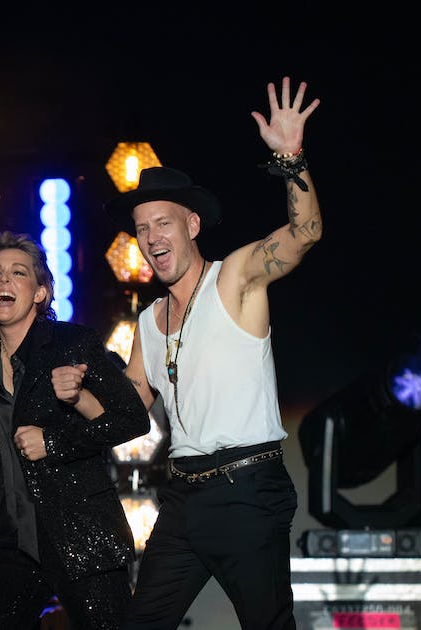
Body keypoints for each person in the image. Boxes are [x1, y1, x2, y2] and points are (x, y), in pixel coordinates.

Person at [67, 76, 322, 629]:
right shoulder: (148, 321)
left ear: (192, 225)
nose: (152, 238)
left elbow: (304, 233)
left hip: (247, 490)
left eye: (163, 223)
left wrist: (291, 158)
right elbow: (127, 413)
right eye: (142, 229)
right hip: (183, 499)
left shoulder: (234, 277)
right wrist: (75, 395)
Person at [0, 231, 150, 629]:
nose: (4, 280)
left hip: (78, 530)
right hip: (8, 537)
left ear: (40, 292)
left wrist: (54, 441)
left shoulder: (73, 343)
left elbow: (132, 418)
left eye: (18, 273)